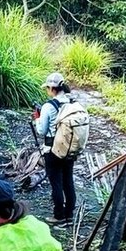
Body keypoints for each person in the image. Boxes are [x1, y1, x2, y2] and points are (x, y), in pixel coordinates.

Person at [34, 71, 77, 225]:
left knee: (56, 183)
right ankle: (70, 215)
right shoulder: (72, 103)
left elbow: (42, 131)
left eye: (47, 88)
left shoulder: (48, 106)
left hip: (52, 150)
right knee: (68, 181)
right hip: (70, 148)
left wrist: (37, 119)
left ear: (52, 88)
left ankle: (59, 216)